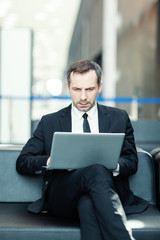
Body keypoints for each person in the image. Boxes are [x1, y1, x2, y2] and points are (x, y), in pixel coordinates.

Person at [16, 60, 149, 240]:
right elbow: (23, 161)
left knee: (88, 203)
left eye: (90, 89)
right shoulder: (50, 122)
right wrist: (51, 160)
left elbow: (131, 161)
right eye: (77, 89)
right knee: (96, 170)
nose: (83, 97)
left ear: (100, 87)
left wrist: (113, 165)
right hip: (63, 195)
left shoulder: (119, 118)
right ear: (68, 87)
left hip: (102, 193)